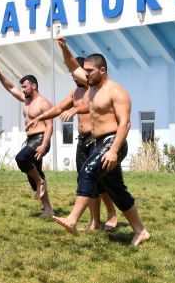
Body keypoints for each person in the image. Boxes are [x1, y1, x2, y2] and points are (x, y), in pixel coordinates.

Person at [52, 37, 150, 246]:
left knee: (87, 171)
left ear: (102, 70)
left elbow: (125, 124)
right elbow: (71, 65)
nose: (85, 74)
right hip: (99, 143)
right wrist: (64, 47)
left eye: (90, 71)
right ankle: (140, 231)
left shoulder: (115, 91)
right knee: (115, 189)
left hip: (113, 141)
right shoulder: (91, 85)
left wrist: (113, 151)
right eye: (84, 70)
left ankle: (72, 219)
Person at [26, 57, 118, 230]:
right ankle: (94, 222)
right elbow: (59, 108)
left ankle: (112, 213)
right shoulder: (75, 93)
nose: (73, 77)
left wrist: (75, 109)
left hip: (96, 139)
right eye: (71, 75)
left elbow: (92, 107)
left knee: (101, 181)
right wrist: (40, 117)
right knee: (85, 180)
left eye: (76, 74)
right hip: (82, 140)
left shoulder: (95, 90)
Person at [0, 65, 55, 217]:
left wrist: (44, 145)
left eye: (25, 87)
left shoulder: (43, 103)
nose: (23, 89)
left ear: (34, 86)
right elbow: (10, 87)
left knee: (21, 158)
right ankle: (48, 209)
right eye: (22, 87)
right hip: (30, 139)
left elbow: (50, 126)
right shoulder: (26, 101)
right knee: (34, 175)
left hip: (40, 139)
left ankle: (40, 182)